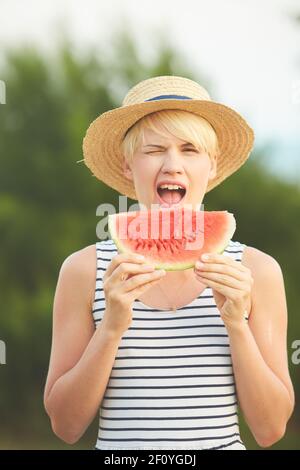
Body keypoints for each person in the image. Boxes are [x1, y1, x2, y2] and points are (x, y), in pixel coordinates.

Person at [44, 75, 294, 450]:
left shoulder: (256, 272)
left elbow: (270, 429)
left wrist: (237, 325)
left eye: (190, 149)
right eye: (154, 149)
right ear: (128, 166)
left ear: (212, 165)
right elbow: (65, 426)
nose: (172, 165)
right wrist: (110, 328)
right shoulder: (84, 270)